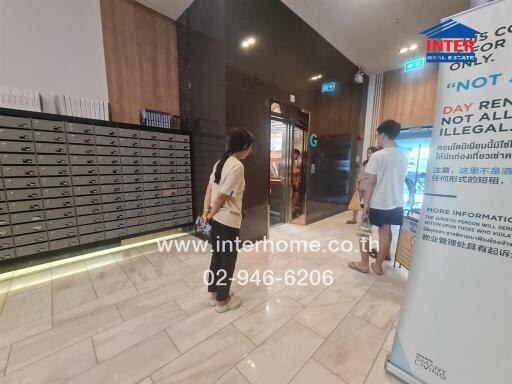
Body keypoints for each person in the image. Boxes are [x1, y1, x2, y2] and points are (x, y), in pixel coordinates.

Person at [202, 127, 255, 312]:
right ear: (245, 147)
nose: (251, 151)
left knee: (217, 257)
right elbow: (222, 196)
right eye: (250, 147)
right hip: (228, 222)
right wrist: (210, 213)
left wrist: (206, 213)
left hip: (216, 221)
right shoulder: (237, 166)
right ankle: (223, 302)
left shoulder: (220, 163)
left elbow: (210, 188)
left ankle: (214, 294)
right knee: (227, 261)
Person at [349, 120, 408, 275]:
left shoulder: (378, 155)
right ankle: (378, 266)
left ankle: (363, 264)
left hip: (378, 201)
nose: (376, 138)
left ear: (382, 134)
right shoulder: (403, 156)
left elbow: (371, 182)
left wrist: (366, 203)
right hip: (396, 203)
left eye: (377, 135)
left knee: (364, 231)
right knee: (386, 231)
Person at [346, 146, 379, 224]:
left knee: (367, 205)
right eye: (367, 153)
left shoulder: (376, 164)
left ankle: (365, 220)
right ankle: (354, 219)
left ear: (374, 154)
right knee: (356, 203)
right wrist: (357, 183)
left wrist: (362, 178)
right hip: (361, 186)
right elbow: (360, 174)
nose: (367, 154)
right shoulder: (364, 163)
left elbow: (374, 176)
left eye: (370, 153)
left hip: (369, 188)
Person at [292, 148, 302, 215]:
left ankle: (292, 209)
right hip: (289, 182)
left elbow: (297, 171)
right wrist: (296, 171)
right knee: (293, 195)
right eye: (297, 155)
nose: (297, 156)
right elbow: (289, 172)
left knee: (296, 195)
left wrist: (297, 182)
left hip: (294, 182)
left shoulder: (296, 162)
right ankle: (291, 209)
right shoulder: (289, 161)